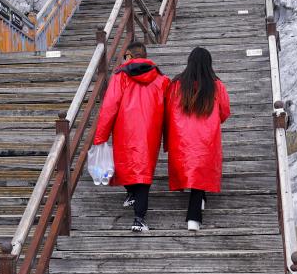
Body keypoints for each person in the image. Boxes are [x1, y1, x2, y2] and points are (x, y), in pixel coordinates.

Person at [92, 42, 168, 233]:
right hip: (151, 131)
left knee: (126, 163)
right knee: (144, 172)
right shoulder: (161, 79)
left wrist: (100, 136)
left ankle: (131, 193)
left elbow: (109, 107)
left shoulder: (120, 77)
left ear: (129, 56)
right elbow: (169, 112)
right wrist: (168, 138)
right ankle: (139, 218)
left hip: (125, 130)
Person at [165, 47, 230, 231]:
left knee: (193, 170)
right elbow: (224, 111)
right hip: (206, 138)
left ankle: (198, 203)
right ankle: (193, 216)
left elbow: (169, 109)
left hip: (182, 137)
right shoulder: (216, 85)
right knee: (200, 171)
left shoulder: (177, 84)